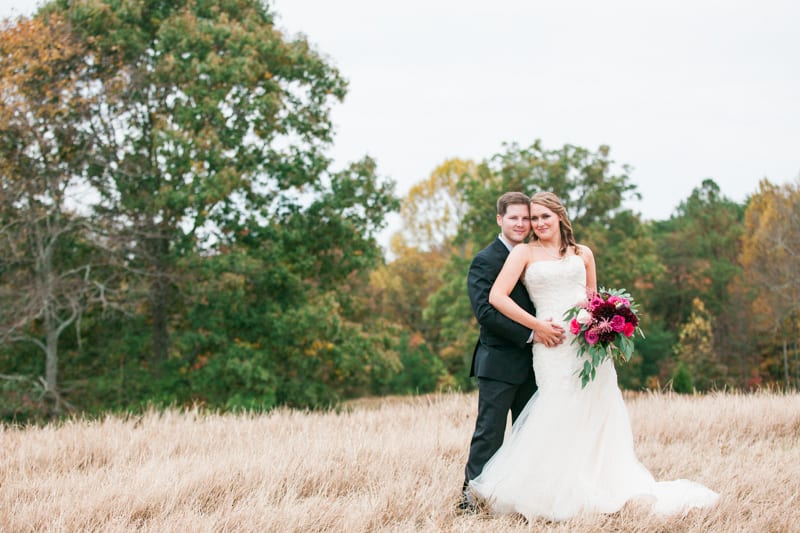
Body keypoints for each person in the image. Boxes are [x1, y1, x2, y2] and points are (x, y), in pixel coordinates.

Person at [468, 191, 719, 521]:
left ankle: (595, 485)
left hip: (587, 349)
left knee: (596, 412)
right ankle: (548, 491)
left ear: (560, 216)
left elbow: (592, 300)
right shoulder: (524, 253)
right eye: (534, 217)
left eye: (545, 216)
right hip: (551, 346)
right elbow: (497, 298)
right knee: (556, 410)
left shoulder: (583, 253)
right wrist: (536, 326)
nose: (538, 223)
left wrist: (606, 327)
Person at [460, 191, 566, 511]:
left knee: (529, 435)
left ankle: (520, 500)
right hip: (499, 363)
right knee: (489, 435)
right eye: (514, 218)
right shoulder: (486, 260)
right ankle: (471, 501)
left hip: (538, 363)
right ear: (500, 220)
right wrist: (532, 334)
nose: (521, 224)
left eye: (526, 218)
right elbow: (486, 313)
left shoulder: (537, 255)